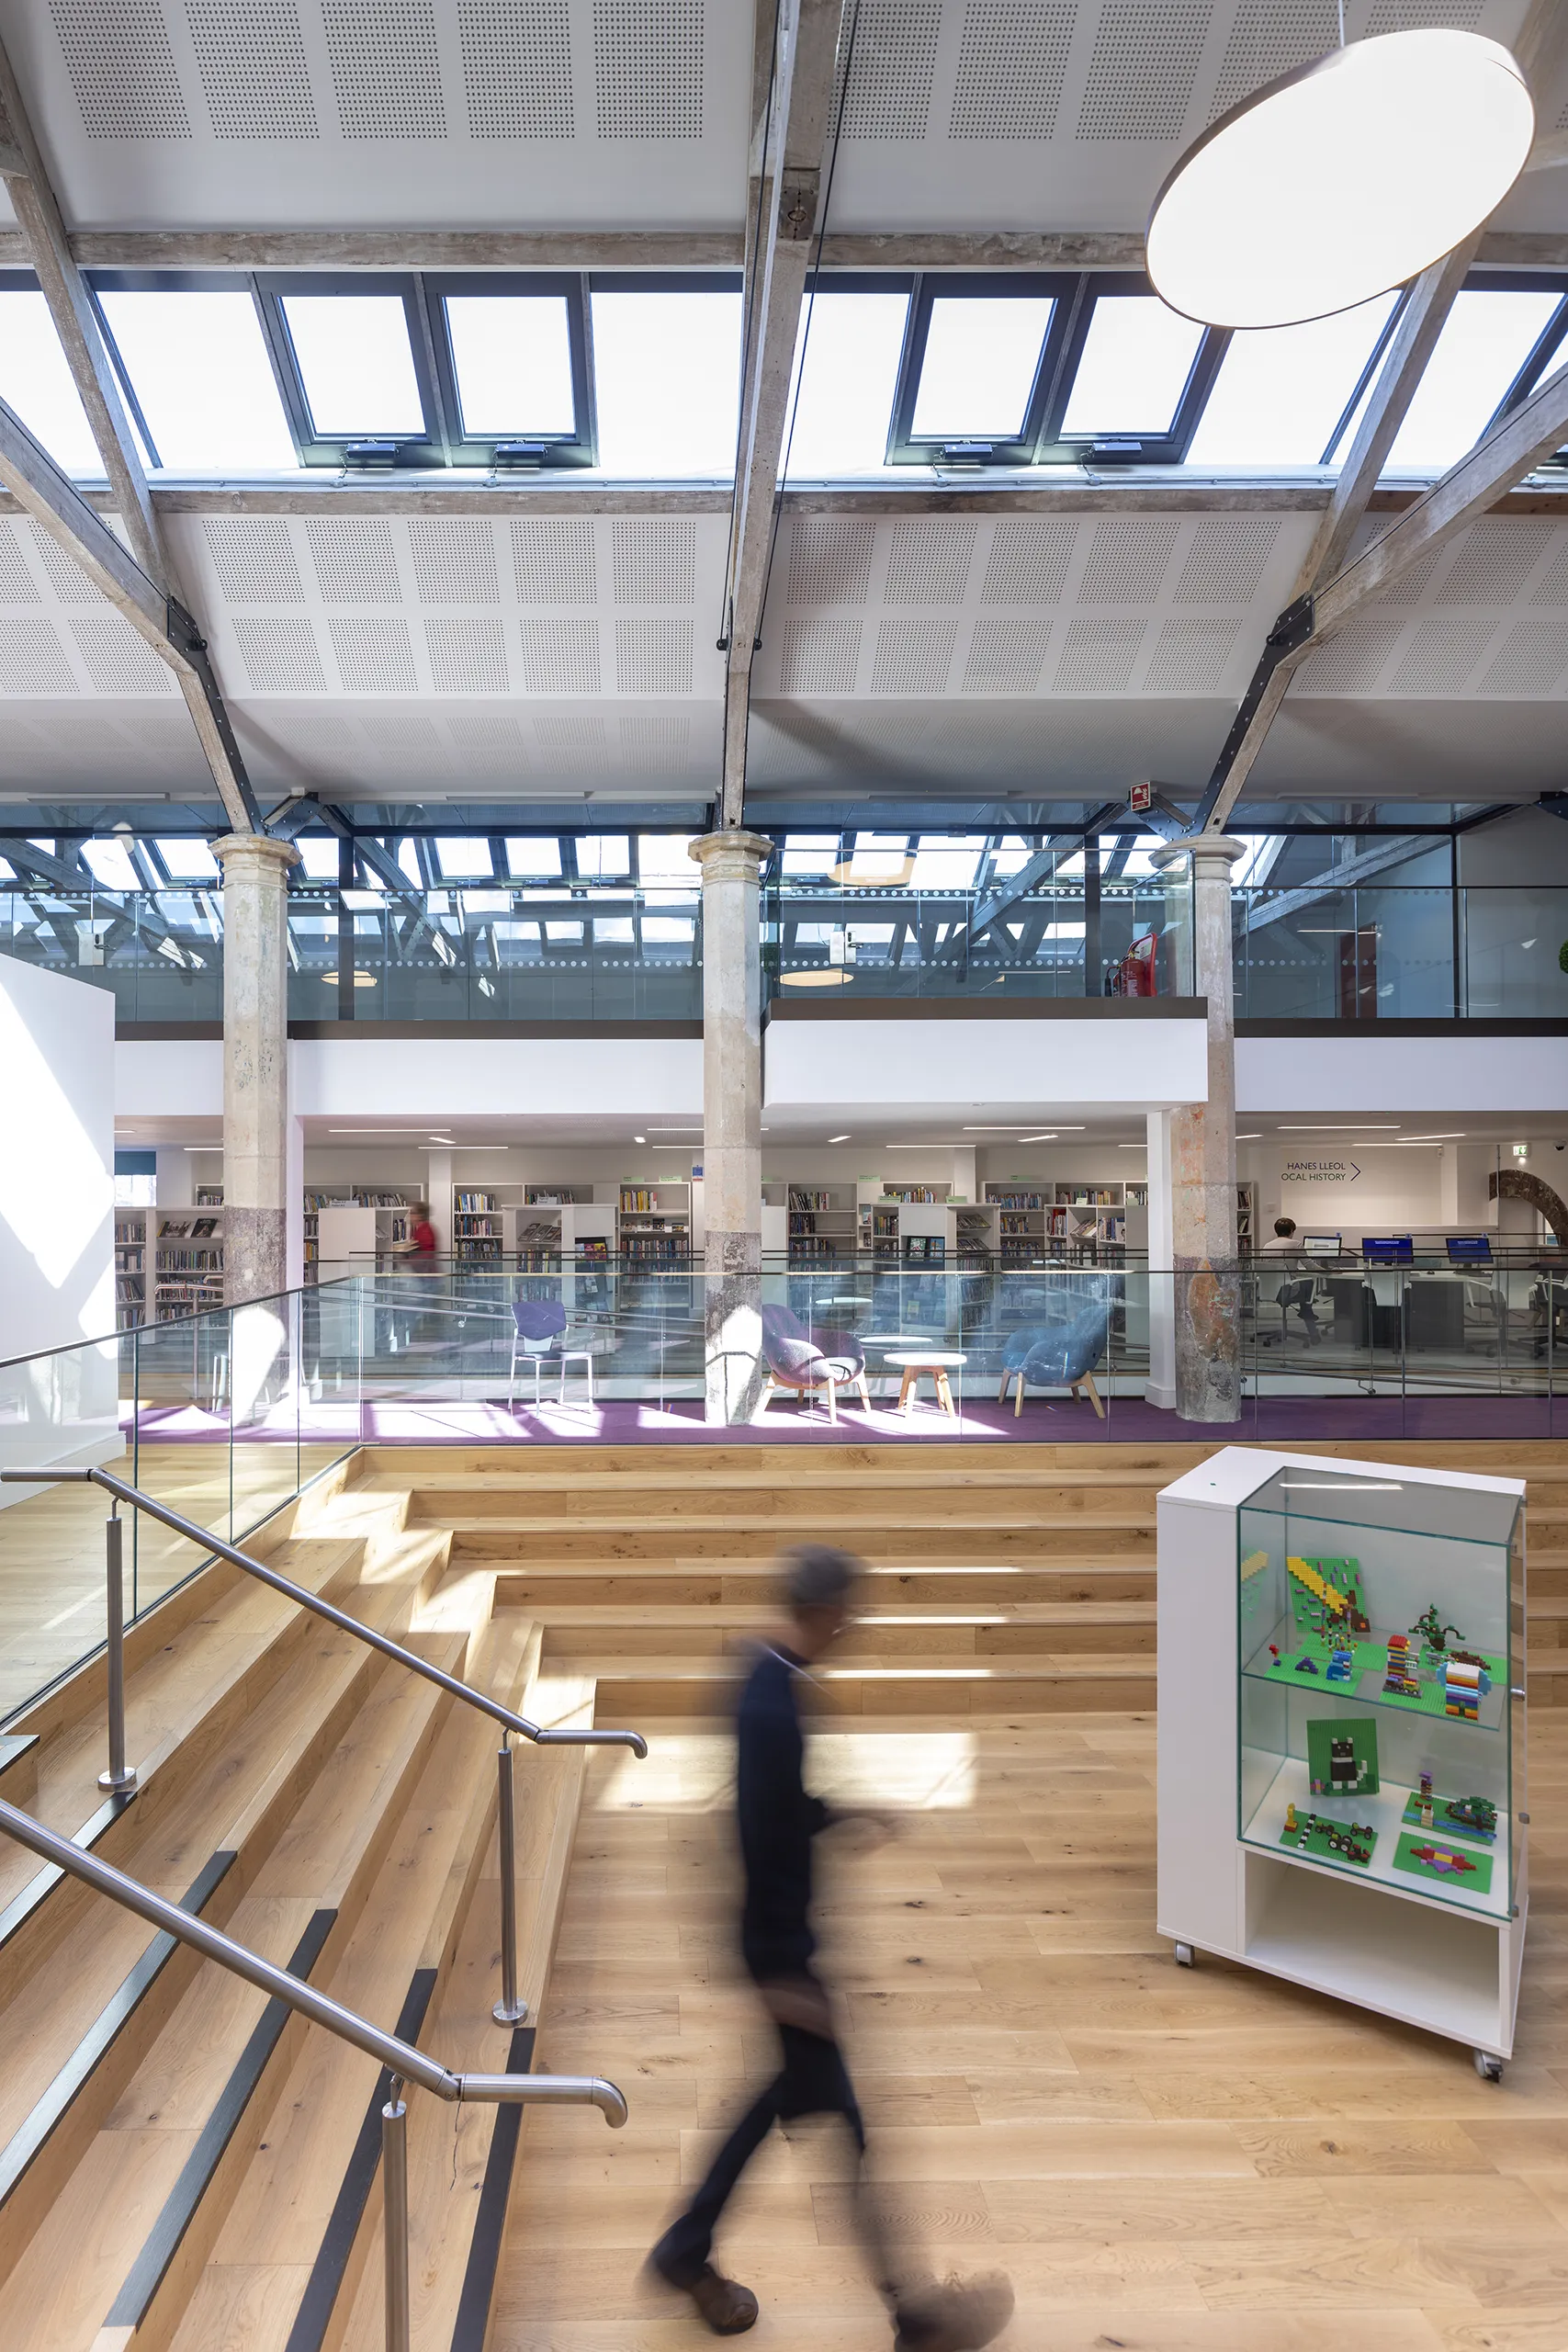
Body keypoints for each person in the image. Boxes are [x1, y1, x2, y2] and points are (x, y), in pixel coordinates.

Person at [647, 1545, 1012, 2351]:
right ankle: (917, 2318)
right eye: (848, 1613)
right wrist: (780, 1976)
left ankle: (685, 2252)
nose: (852, 1627)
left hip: (780, 1946)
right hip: (782, 1952)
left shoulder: (762, 1673)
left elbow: (774, 1811)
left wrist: (845, 1813)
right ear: (826, 1613)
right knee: (844, 2123)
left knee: (786, 2101)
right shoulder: (773, 1708)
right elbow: (754, 1838)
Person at [1261, 1216, 1321, 1344]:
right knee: (1309, 1282)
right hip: (1287, 1291)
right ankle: (1307, 1314)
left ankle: (1306, 1312)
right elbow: (1310, 1266)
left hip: (1270, 1290)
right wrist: (1328, 1270)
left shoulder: (1267, 1246)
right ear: (1291, 1231)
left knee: (1301, 1282)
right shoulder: (1296, 1244)